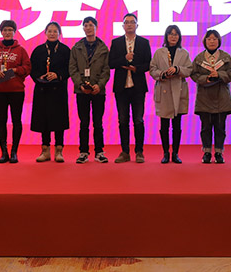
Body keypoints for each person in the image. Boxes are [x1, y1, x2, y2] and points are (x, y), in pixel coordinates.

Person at [0, 20, 31, 164]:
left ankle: (14, 152)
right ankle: (4, 152)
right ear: (1, 32)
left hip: (16, 90)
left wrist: (16, 70)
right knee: (1, 120)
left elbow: (28, 68)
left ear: (14, 32)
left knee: (16, 120)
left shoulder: (20, 50)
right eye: (5, 30)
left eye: (10, 30)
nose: (7, 32)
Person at [109, 13, 152, 164]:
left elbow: (149, 64)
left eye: (132, 22)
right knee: (122, 120)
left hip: (138, 87)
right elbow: (110, 63)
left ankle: (139, 151)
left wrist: (136, 68)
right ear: (123, 26)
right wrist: (124, 59)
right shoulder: (116, 43)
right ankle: (125, 152)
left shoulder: (144, 43)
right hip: (121, 87)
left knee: (138, 120)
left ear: (137, 25)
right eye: (126, 22)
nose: (129, 25)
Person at [69, 16, 110, 164]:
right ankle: (83, 152)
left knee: (98, 122)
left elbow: (106, 70)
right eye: (86, 25)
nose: (88, 28)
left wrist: (100, 85)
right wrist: (80, 84)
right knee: (84, 123)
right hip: (82, 91)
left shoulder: (103, 48)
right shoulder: (77, 47)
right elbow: (72, 68)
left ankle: (99, 152)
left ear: (96, 27)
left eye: (91, 25)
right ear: (83, 28)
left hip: (98, 91)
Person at [190, 29, 231, 164]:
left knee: (220, 128)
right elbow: (194, 75)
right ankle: (207, 152)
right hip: (204, 97)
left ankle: (219, 152)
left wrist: (219, 75)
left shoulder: (225, 57)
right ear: (205, 41)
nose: (212, 41)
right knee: (206, 128)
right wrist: (207, 78)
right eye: (209, 39)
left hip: (222, 97)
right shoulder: (199, 58)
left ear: (219, 41)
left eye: (214, 39)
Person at [149, 25, 192, 164]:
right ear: (166, 36)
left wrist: (178, 69)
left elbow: (189, 70)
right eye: (170, 34)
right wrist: (162, 74)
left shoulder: (184, 53)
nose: (173, 37)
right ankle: (166, 153)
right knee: (164, 125)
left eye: (176, 34)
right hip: (164, 89)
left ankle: (176, 153)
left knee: (177, 125)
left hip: (179, 90)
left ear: (179, 36)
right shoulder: (159, 52)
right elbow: (152, 70)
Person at [30, 22, 71, 163]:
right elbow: (32, 68)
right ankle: (45, 150)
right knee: (44, 120)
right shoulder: (38, 50)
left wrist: (58, 75)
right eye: (50, 31)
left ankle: (59, 150)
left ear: (59, 33)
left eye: (55, 31)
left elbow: (70, 68)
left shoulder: (65, 50)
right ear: (45, 33)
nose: (52, 34)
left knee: (59, 120)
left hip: (58, 90)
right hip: (42, 90)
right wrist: (39, 77)